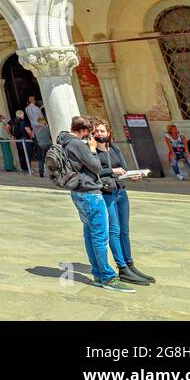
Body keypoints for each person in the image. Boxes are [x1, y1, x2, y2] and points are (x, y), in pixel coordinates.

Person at [56, 115, 133, 293]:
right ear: (84, 130)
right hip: (90, 194)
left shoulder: (64, 142)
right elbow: (96, 167)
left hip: (78, 193)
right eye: (90, 132)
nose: (92, 136)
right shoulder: (76, 144)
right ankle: (107, 276)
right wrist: (91, 150)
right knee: (100, 236)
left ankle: (98, 274)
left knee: (90, 234)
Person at [93, 120, 153, 285]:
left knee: (124, 231)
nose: (99, 134)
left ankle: (130, 264)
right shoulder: (92, 152)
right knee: (114, 230)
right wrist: (111, 171)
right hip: (107, 193)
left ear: (108, 133)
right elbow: (94, 171)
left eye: (102, 131)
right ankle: (122, 267)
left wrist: (132, 175)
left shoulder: (114, 148)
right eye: (97, 131)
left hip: (121, 192)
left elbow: (124, 168)